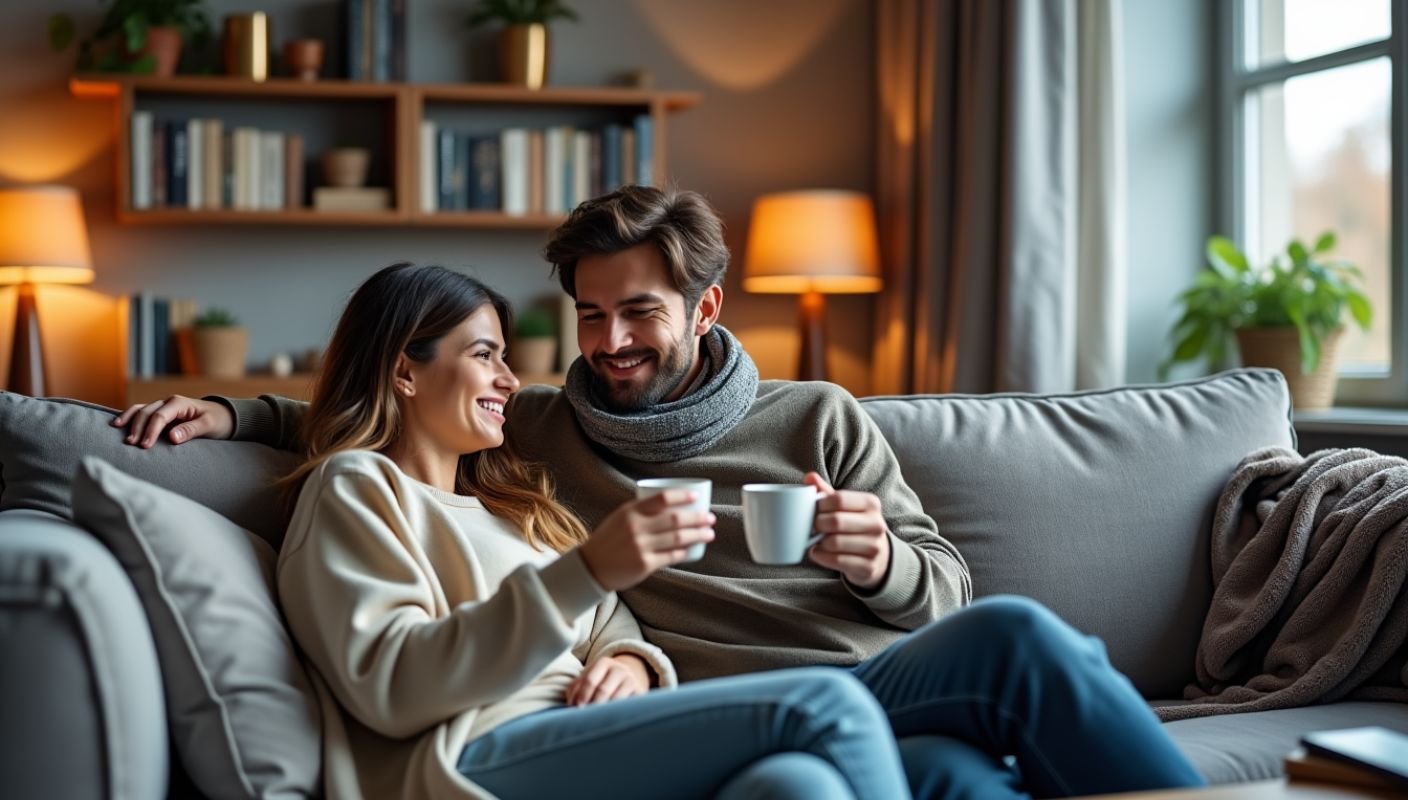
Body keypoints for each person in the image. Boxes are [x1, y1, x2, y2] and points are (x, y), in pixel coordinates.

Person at [118, 187, 1206, 799]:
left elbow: (945, 596)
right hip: (703, 723)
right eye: (588, 315)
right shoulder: (535, 433)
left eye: (636, 311)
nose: (608, 341)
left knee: (1000, 653)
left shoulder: (818, 415)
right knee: (893, 773)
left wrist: (880, 564)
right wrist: (229, 411)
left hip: (864, 675)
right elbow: (369, 415)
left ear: (704, 304)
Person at [261, 262, 910, 800]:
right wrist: (588, 568)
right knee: (824, 706)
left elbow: (607, 621)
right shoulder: (356, 489)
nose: (510, 381)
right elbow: (395, 684)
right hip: (470, 754)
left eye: (506, 358)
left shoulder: (508, 500)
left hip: (584, 733)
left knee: (798, 785)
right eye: (485, 355)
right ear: (405, 371)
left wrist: (630, 661)